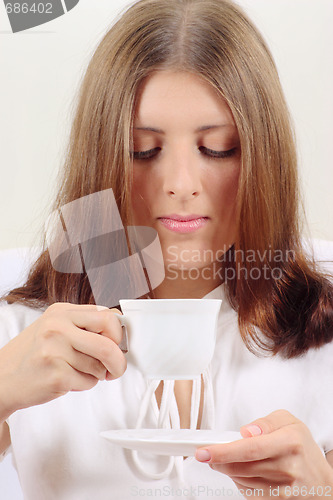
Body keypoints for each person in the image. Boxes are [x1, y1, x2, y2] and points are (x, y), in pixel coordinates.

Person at [1, 0, 333, 498]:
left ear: (264, 158)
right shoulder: (21, 325)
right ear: (103, 155)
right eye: (143, 151)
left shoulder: (320, 334)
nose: (180, 184)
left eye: (217, 148)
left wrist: (320, 490)